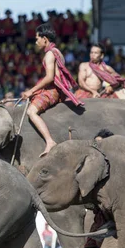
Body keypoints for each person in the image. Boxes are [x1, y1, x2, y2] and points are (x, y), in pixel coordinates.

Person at [21, 24, 84, 157]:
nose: (36, 41)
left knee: (31, 112)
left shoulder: (50, 54)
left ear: (45, 39)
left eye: (37, 38)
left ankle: (50, 142)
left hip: (53, 91)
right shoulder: (57, 52)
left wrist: (31, 91)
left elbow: (50, 77)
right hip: (57, 90)